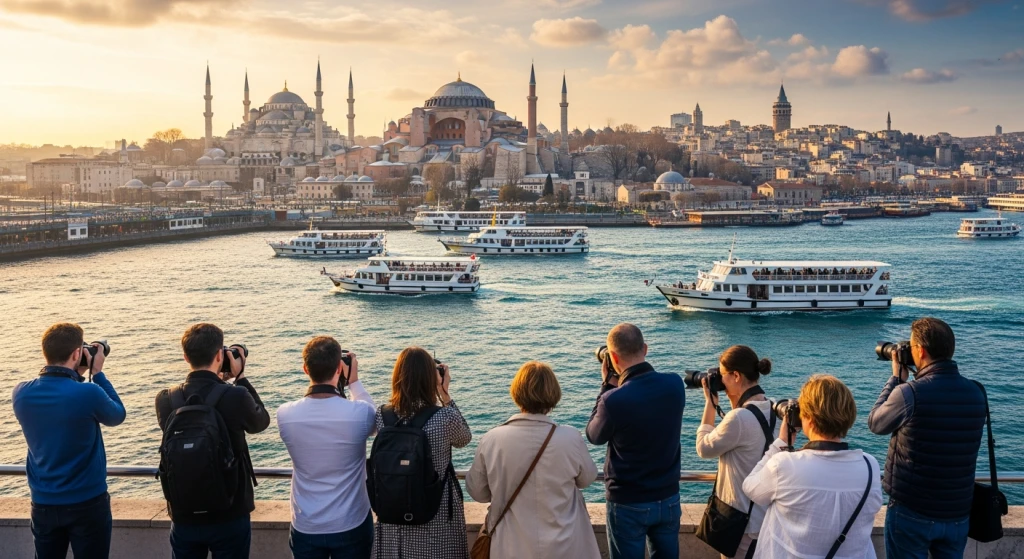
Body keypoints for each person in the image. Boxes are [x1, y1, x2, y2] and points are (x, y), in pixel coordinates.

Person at [867, 317, 985, 559]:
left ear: (920, 350)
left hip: (912, 511)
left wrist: (896, 380)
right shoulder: (976, 392)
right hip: (957, 512)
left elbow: (876, 424)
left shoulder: (910, 393)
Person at [155, 323, 271, 559]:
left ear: (185, 357)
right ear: (220, 355)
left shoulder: (166, 399)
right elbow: (261, 422)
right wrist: (240, 377)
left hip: (184, 513)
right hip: (230, 512)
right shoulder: (235, 395)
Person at [13, 323, 126, 559]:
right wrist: (98, 374)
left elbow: (61, 398)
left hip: (43, 503)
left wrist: (76, 373)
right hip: (87, 502)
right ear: (77, 354)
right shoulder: (89, 393)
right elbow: (117, 415)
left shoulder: (21, 392)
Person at [466, 361, 600, 559]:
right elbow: (587, 479)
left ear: (516, 393)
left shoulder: (492, 439)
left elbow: (477, 491)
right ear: (553, 393)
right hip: (566, 545)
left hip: (510, 547)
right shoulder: (570, 438)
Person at [742, 375, 883, 558]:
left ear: (808, 418)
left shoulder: (785, 465)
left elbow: (750, 487)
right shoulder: (870, 466)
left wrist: (781, 443)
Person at [585, 323, 686, 559]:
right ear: (645, 349)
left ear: (612, 358)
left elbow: (594, 435)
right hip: (669, 497)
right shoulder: (675, 384)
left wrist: (606, 386)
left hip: (628, 502)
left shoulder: (613, 400)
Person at [277, 337, 375, 559]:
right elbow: (378, 421)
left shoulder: (285, 414)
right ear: (339, 368)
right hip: (351, 521)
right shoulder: (360, 413)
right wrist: (354, 382)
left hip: (306, 523)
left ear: (305, 369)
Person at [372, 347, 471, 559]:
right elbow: (464, 438)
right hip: (436, 513)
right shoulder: (445, 418)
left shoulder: (382, 415)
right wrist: (444, 394)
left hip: (394, 515)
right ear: (430, 378)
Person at [696, 346, 776, 559]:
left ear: (736, 376)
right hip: (764, 518)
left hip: (740, 524)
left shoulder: (739, 418)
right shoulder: (773, 409)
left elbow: (703, 448)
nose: (720, 381)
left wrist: (710, 404)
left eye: (723, 375)